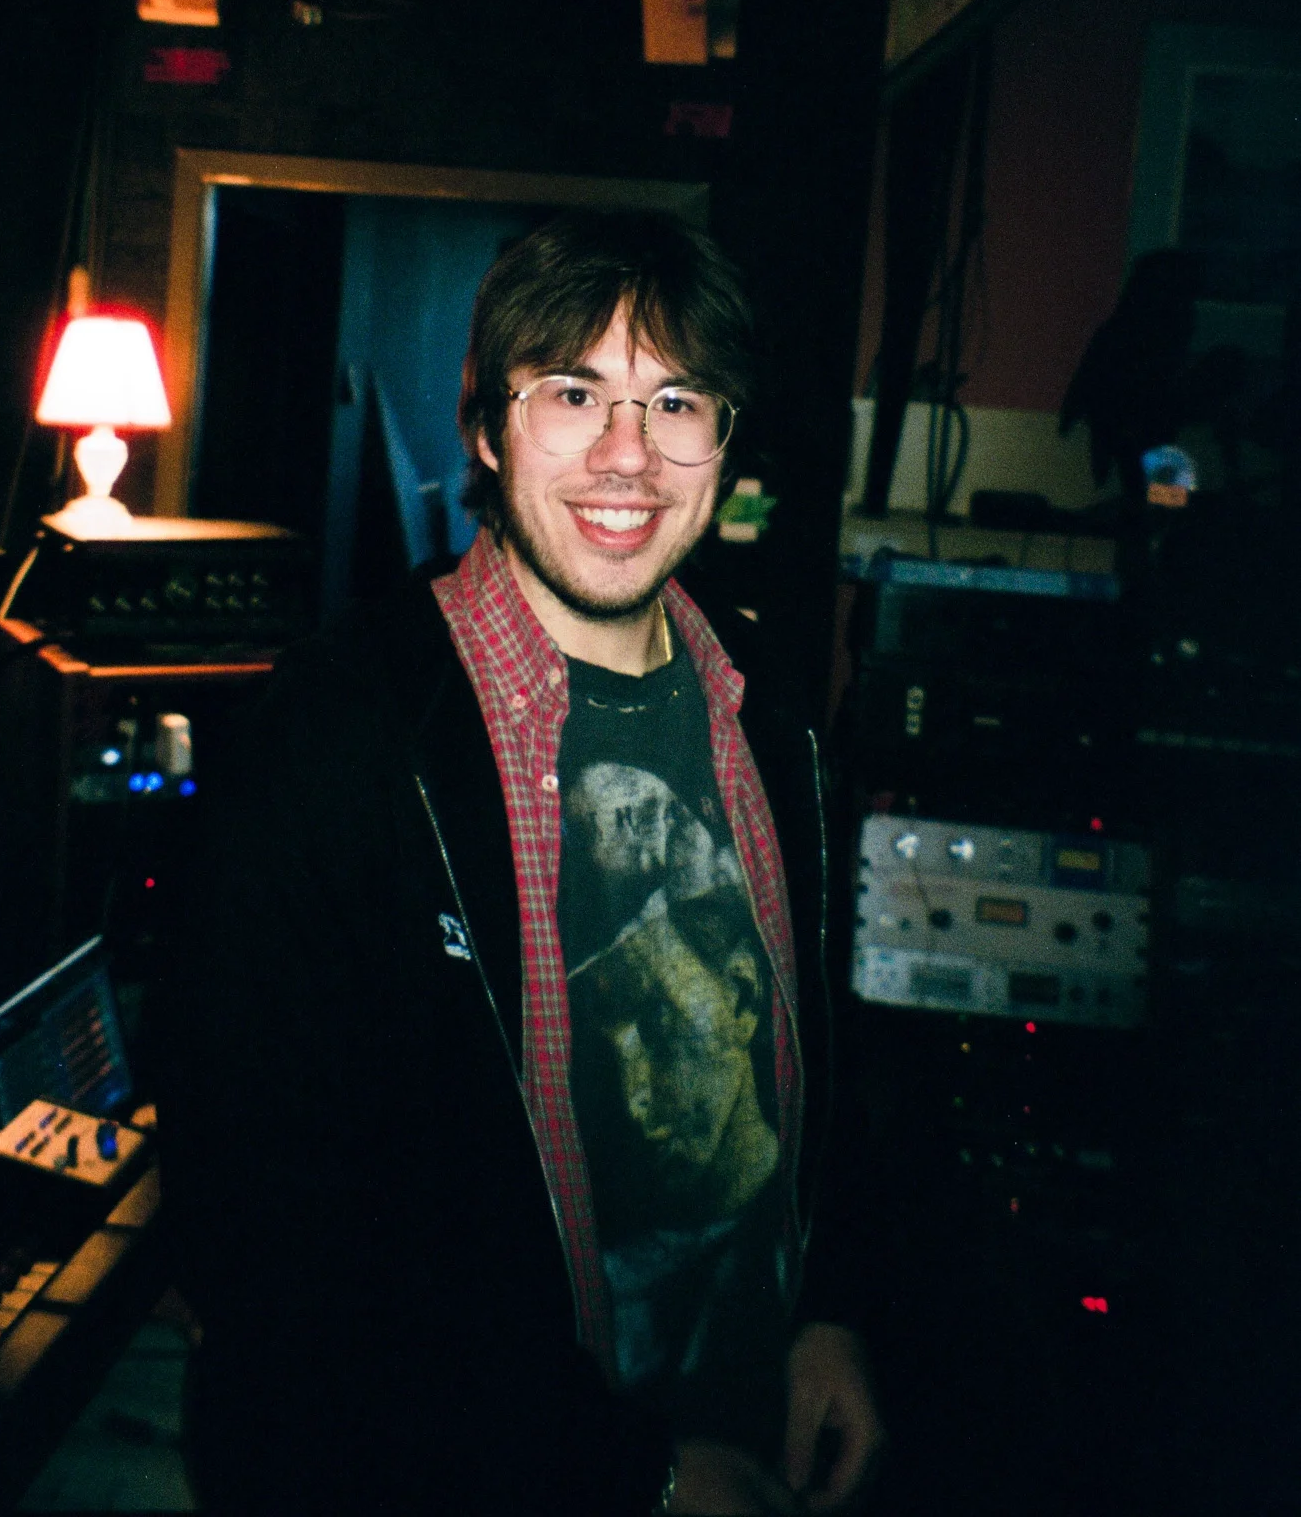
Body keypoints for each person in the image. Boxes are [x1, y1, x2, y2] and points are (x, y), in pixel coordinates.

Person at [163, 211, 883, 1515]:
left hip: (754, 1438)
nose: (627, 453)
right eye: (572, 392)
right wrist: (634, 1478)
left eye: (675, 399)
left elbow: (825, 1082)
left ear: (722, 441)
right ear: (488, 432)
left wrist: (830, 1315)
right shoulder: (332, 740)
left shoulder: (771, 726)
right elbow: (271, 1239)